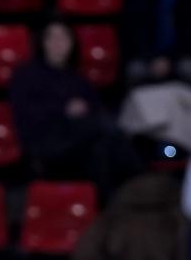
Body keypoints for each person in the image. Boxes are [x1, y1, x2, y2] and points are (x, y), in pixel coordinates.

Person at [8, 20, 140, 196]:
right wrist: (64, 109)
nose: (58, 44)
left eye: (63, 38)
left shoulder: (78, 79)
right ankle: (140, 177)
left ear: (72, 44)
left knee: (101, 150)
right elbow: (26, 114)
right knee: (104, 127)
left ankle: (110, 204)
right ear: (42, 43)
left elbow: (95, 108)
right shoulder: (26, 75)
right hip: (45, 141)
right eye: (52, 38)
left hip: (78, 144)